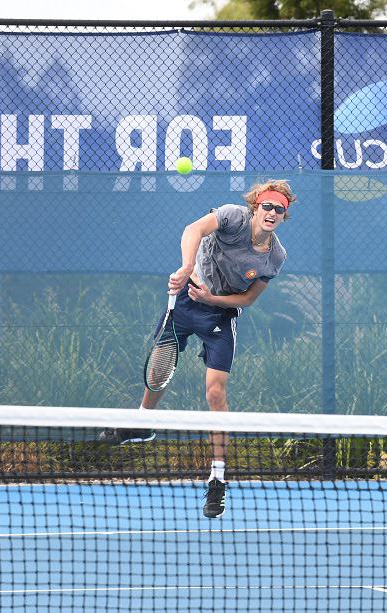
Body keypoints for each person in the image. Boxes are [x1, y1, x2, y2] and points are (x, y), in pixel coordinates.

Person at [100, 179, 295, 518]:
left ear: (283, 217)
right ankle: (143, 424)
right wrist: (187, 266)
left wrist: (213, 299)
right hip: (187, 301)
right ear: (255, 207)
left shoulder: (275, 256)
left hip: (220, 314)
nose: (272, 212)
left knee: (215, 393)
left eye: (280, 209)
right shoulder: (233, 216)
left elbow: (248, 299)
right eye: (267, 206)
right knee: (159, 370)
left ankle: (217, 478)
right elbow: (192, 228)